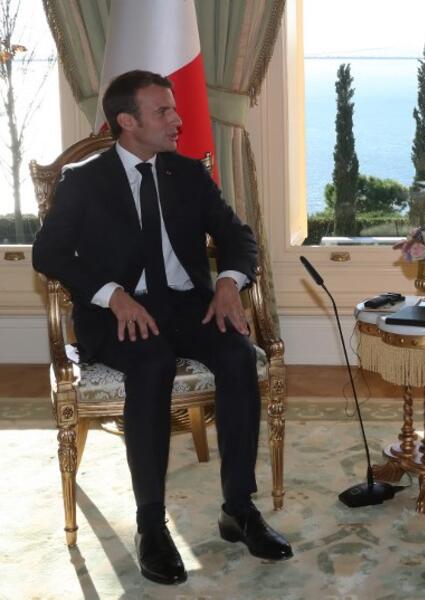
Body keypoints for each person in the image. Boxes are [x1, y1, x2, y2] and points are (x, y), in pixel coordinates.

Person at [32, 70, 292, 585]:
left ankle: (238, 508)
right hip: (118, 315)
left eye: (174, 109)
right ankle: (151, 522)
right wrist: (113, 294)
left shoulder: (188, 173)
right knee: (150, 365)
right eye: (164, 112)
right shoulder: (84, 180)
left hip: (189, 306)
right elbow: (49, 252)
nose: (179, 120)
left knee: (239, 357)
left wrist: (229, 284)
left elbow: (239, 237)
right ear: (127, 122)